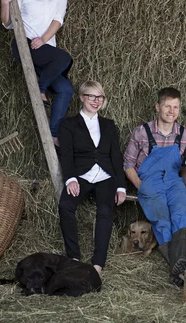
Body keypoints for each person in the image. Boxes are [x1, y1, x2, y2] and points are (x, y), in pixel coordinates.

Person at [1, 0, 74, 147]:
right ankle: (41, 89)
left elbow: (58, 19)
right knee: (64, 58)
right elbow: (8, 23)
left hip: (45, 48)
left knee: (66, 89)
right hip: (25, 46)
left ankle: (53, 135)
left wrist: (43, 39)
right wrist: (5, 2)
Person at [123, 87, 186, 287]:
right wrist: (140, 185)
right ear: (157, 107)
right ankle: (179, 268)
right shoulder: (141, 132)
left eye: (176, 107)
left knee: (180, 214)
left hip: (174, 181)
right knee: (161, 219)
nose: (172, 111)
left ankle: (176, 268)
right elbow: (128, 164)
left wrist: (184, 185)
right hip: (150, 182)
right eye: (167, 106)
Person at [57, 81, 127, 274]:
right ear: (81, 97)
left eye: (100, 97)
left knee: (105, 210)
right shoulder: (69, 124)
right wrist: (70, 178)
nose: (96, 101)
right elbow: (67, 154)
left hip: (105, 175)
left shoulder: (108, 125)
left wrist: (121, 186)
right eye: (91, 96)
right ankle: (73, 257)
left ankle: (98, 264)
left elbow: (116, 156)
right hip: (81, 174)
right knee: (65, 206)